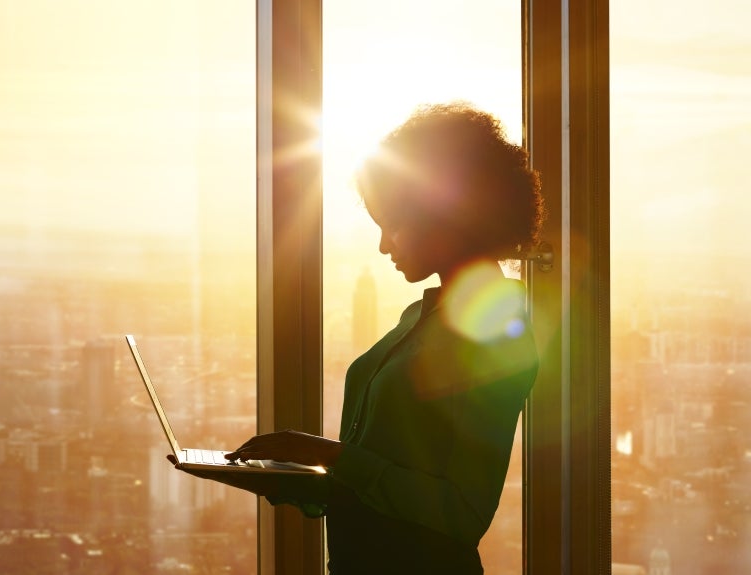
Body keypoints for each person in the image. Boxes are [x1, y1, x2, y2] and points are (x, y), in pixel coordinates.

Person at [222, 103, 544, 574]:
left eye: (391, 225)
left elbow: (462, 512)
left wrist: (330, 455)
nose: (383, 245)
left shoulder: (495, 335)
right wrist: (291, 475)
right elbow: (382, 476)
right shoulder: (421, 317)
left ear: (444, 215)